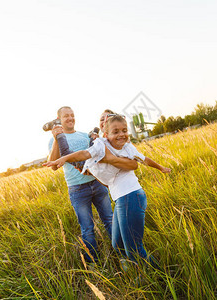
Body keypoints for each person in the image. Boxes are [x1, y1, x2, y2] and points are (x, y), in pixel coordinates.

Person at [45, 114, 169, 264]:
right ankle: (133, 271)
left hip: (131, 195)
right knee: (118, 245)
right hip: (120, 198)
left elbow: (144, 160)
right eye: (115, 132)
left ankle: (159, 275)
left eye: (124, 130)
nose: (121, 134)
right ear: (106, 134)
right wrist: (64, 158)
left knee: (135, 250)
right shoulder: (100, 144)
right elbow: (84, 153)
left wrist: (161, 167)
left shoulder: (128, 147)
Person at [47, 106, 137, 263]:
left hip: (97, 184)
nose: (70, 118)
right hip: (77, 189)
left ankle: (122, 257)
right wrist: (56, 138)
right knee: (87, 228)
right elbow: (54, 166)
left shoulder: (84, 136)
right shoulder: (55, 140)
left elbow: (103, 150)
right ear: (59, 120)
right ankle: (93, 264)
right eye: (66, 116)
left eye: (72, 115)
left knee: (109, 220)